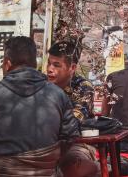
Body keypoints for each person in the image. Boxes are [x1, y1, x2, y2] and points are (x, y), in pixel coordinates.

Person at [0, 36, 79, 175]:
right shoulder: (58, 95)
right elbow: (70, 136)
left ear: (7, 64)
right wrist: (46, 158)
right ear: (35, 64)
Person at [47, 40, 99, 177]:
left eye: (56, 65)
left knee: (74, 167)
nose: (49, 69)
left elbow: (73, 123)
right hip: (44, 142)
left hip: (78, 143)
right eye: (49, 63)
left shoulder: (83, 87)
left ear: (73, 67)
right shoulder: (42, 84)